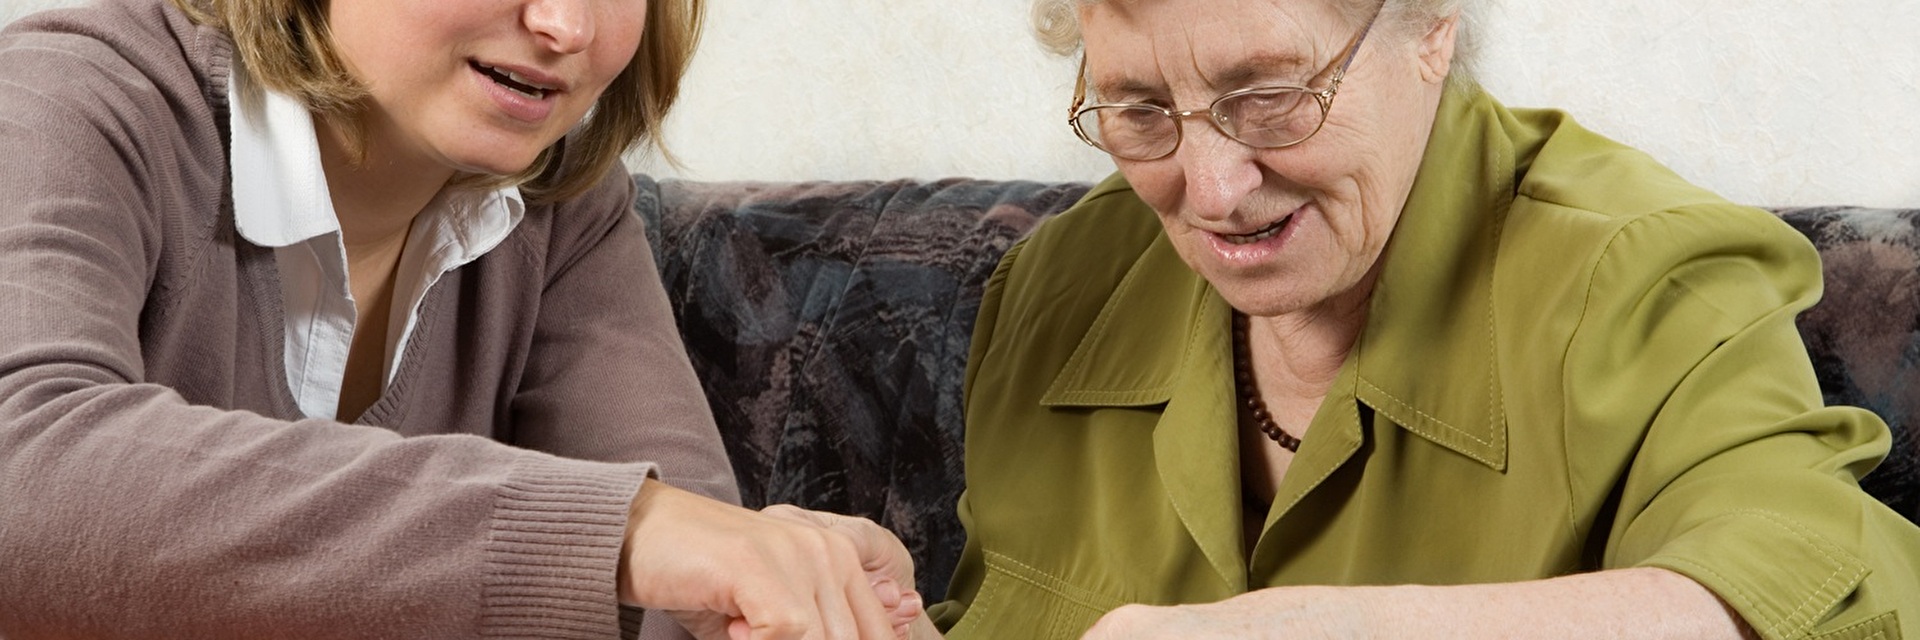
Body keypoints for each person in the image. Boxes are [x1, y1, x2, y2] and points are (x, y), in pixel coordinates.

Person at [909, 0, 1920, 638]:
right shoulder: (1056, 289)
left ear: (1432, 30)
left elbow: (1820, 589)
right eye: (1138, 108)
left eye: (1269, 94)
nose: (1212, 188)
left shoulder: (1647, 275)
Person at [0, 0, 920, 637]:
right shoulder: (63, 101)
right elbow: (22, 471)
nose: (567, 25)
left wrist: (799, 591)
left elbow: (677, 584)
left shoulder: (566, 204)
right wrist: (624, 534)